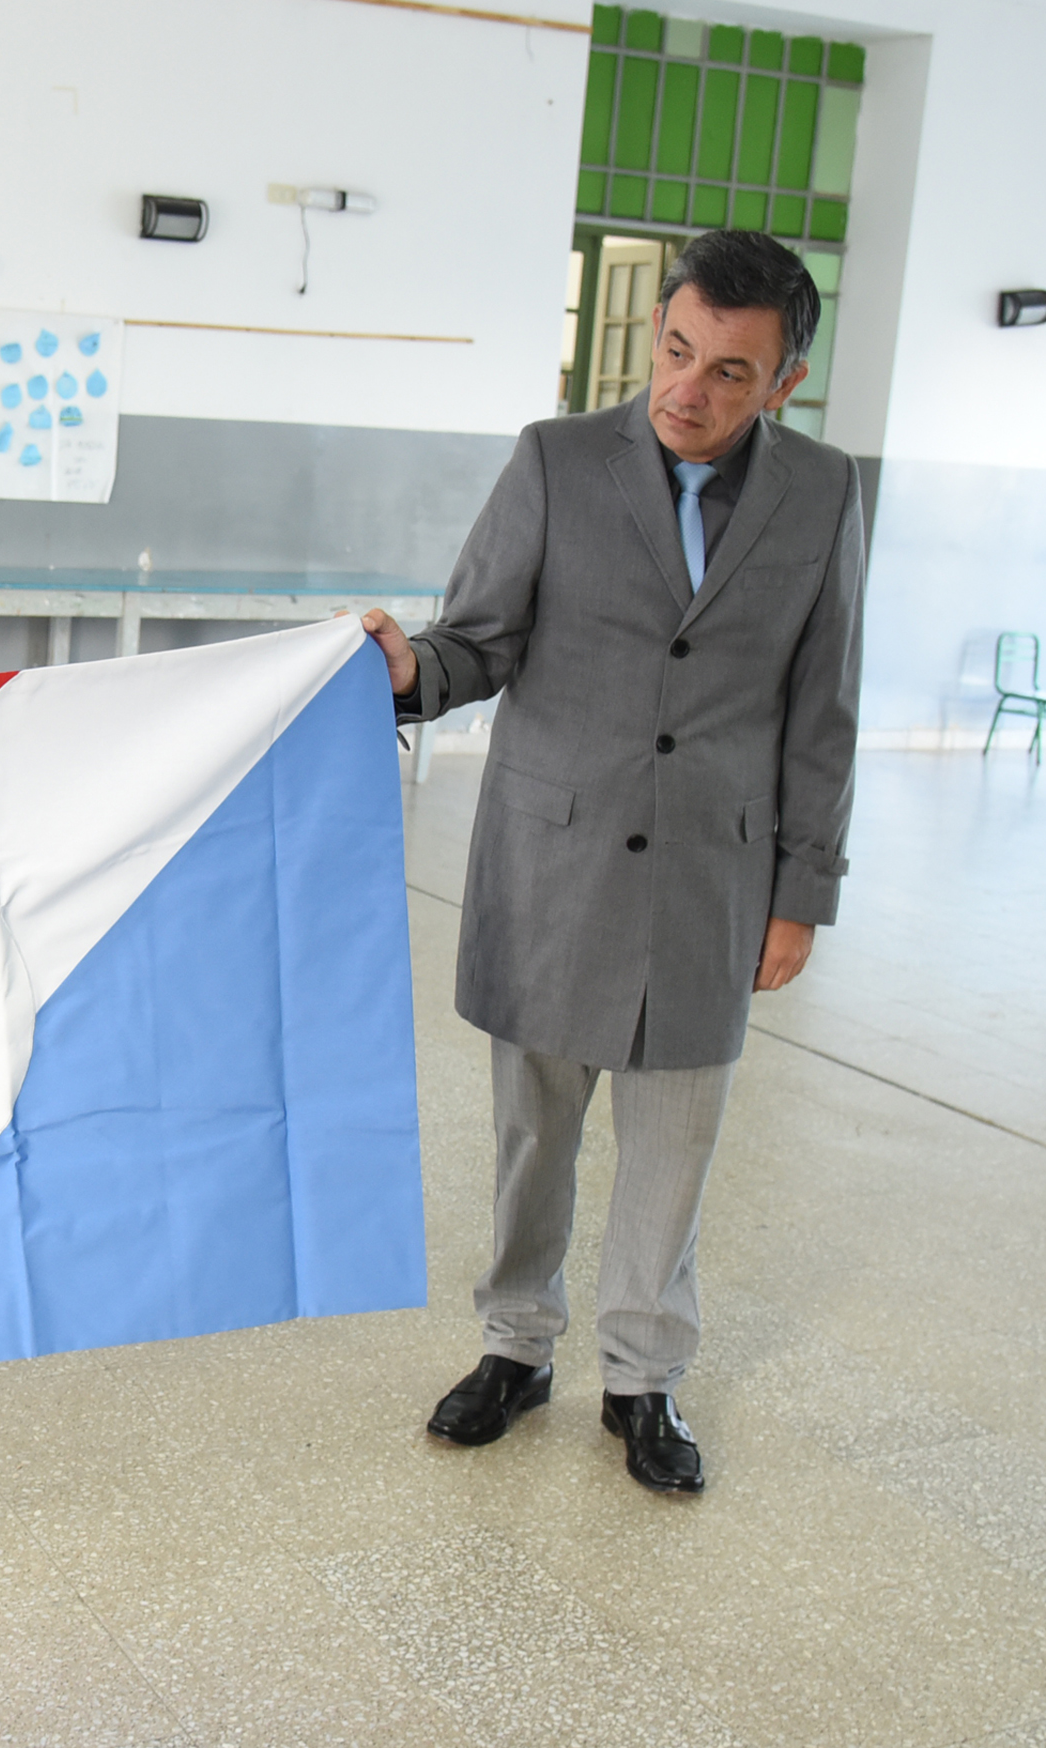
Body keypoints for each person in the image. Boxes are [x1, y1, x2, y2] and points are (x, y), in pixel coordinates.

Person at [361, 230, 863, 1493]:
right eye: (676, 350)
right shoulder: (556, 459)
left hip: (715, 877)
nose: (687, 391)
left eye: (729, 373)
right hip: (555, 862)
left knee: (674, 1144)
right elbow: (477, 637)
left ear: (784, 383)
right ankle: (515, 1345)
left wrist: (803, 891)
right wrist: (409, 670)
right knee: (536, 1133)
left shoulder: (821, 491)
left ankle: (643, 1379)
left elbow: (825, 703)